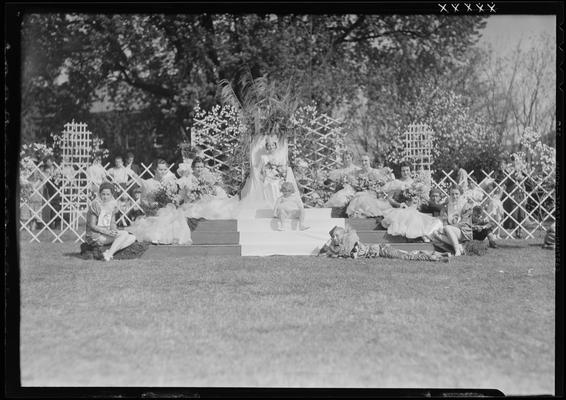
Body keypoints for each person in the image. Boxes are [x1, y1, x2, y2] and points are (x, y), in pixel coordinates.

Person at [239, 134, 302, 210]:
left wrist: (280, 175)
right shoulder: (263, 158)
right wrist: (262, 176)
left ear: (275, 146)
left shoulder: (279, 157)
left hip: (277, 177)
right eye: (269, 146)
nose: (271, 147)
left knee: (277, 184)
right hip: (267, 177)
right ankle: (271, 206)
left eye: (272, 145)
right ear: (266, 147)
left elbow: (283, 169)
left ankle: (279, 206)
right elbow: (258, 169)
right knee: (270, 184)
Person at [318, 226, 450, 261]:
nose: (334, 238)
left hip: (381, 249)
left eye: (337, 235)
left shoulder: (350, 240)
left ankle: (436, 257)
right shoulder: (339, 246)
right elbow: (322, 255)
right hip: (379, 252)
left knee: (407, 256)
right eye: (333, 236)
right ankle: (440, 255)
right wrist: (330, 244)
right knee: (407, 255)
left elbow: (351, 255)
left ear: (343, 235)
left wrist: (335, 252)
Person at [85, 182, 137, 261]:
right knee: (124, 234)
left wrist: (114, 231)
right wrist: (106, 232)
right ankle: (109, 255)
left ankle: (108, 252)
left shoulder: (112, 204)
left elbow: (112, 223)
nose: (105, 197)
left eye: (108, 194)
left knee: (132, 237)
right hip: (96, 236)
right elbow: (92, 225)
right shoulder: (95, 204)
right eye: (103, 194)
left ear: (112, 194)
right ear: (100, 194)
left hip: (106, 234)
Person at [432, 184, 473, 256]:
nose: (454, 196)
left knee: (447, 228)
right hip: (451, 231)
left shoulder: (466, 206)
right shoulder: (448, 206)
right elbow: (445, 220)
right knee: (435, 233)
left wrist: (448, 227)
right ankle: (459, 246)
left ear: (461, 194)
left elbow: (464, 223)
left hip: (463, 232)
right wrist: (443, 228)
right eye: (452, 194)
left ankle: (457, 250)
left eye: (457, 194)